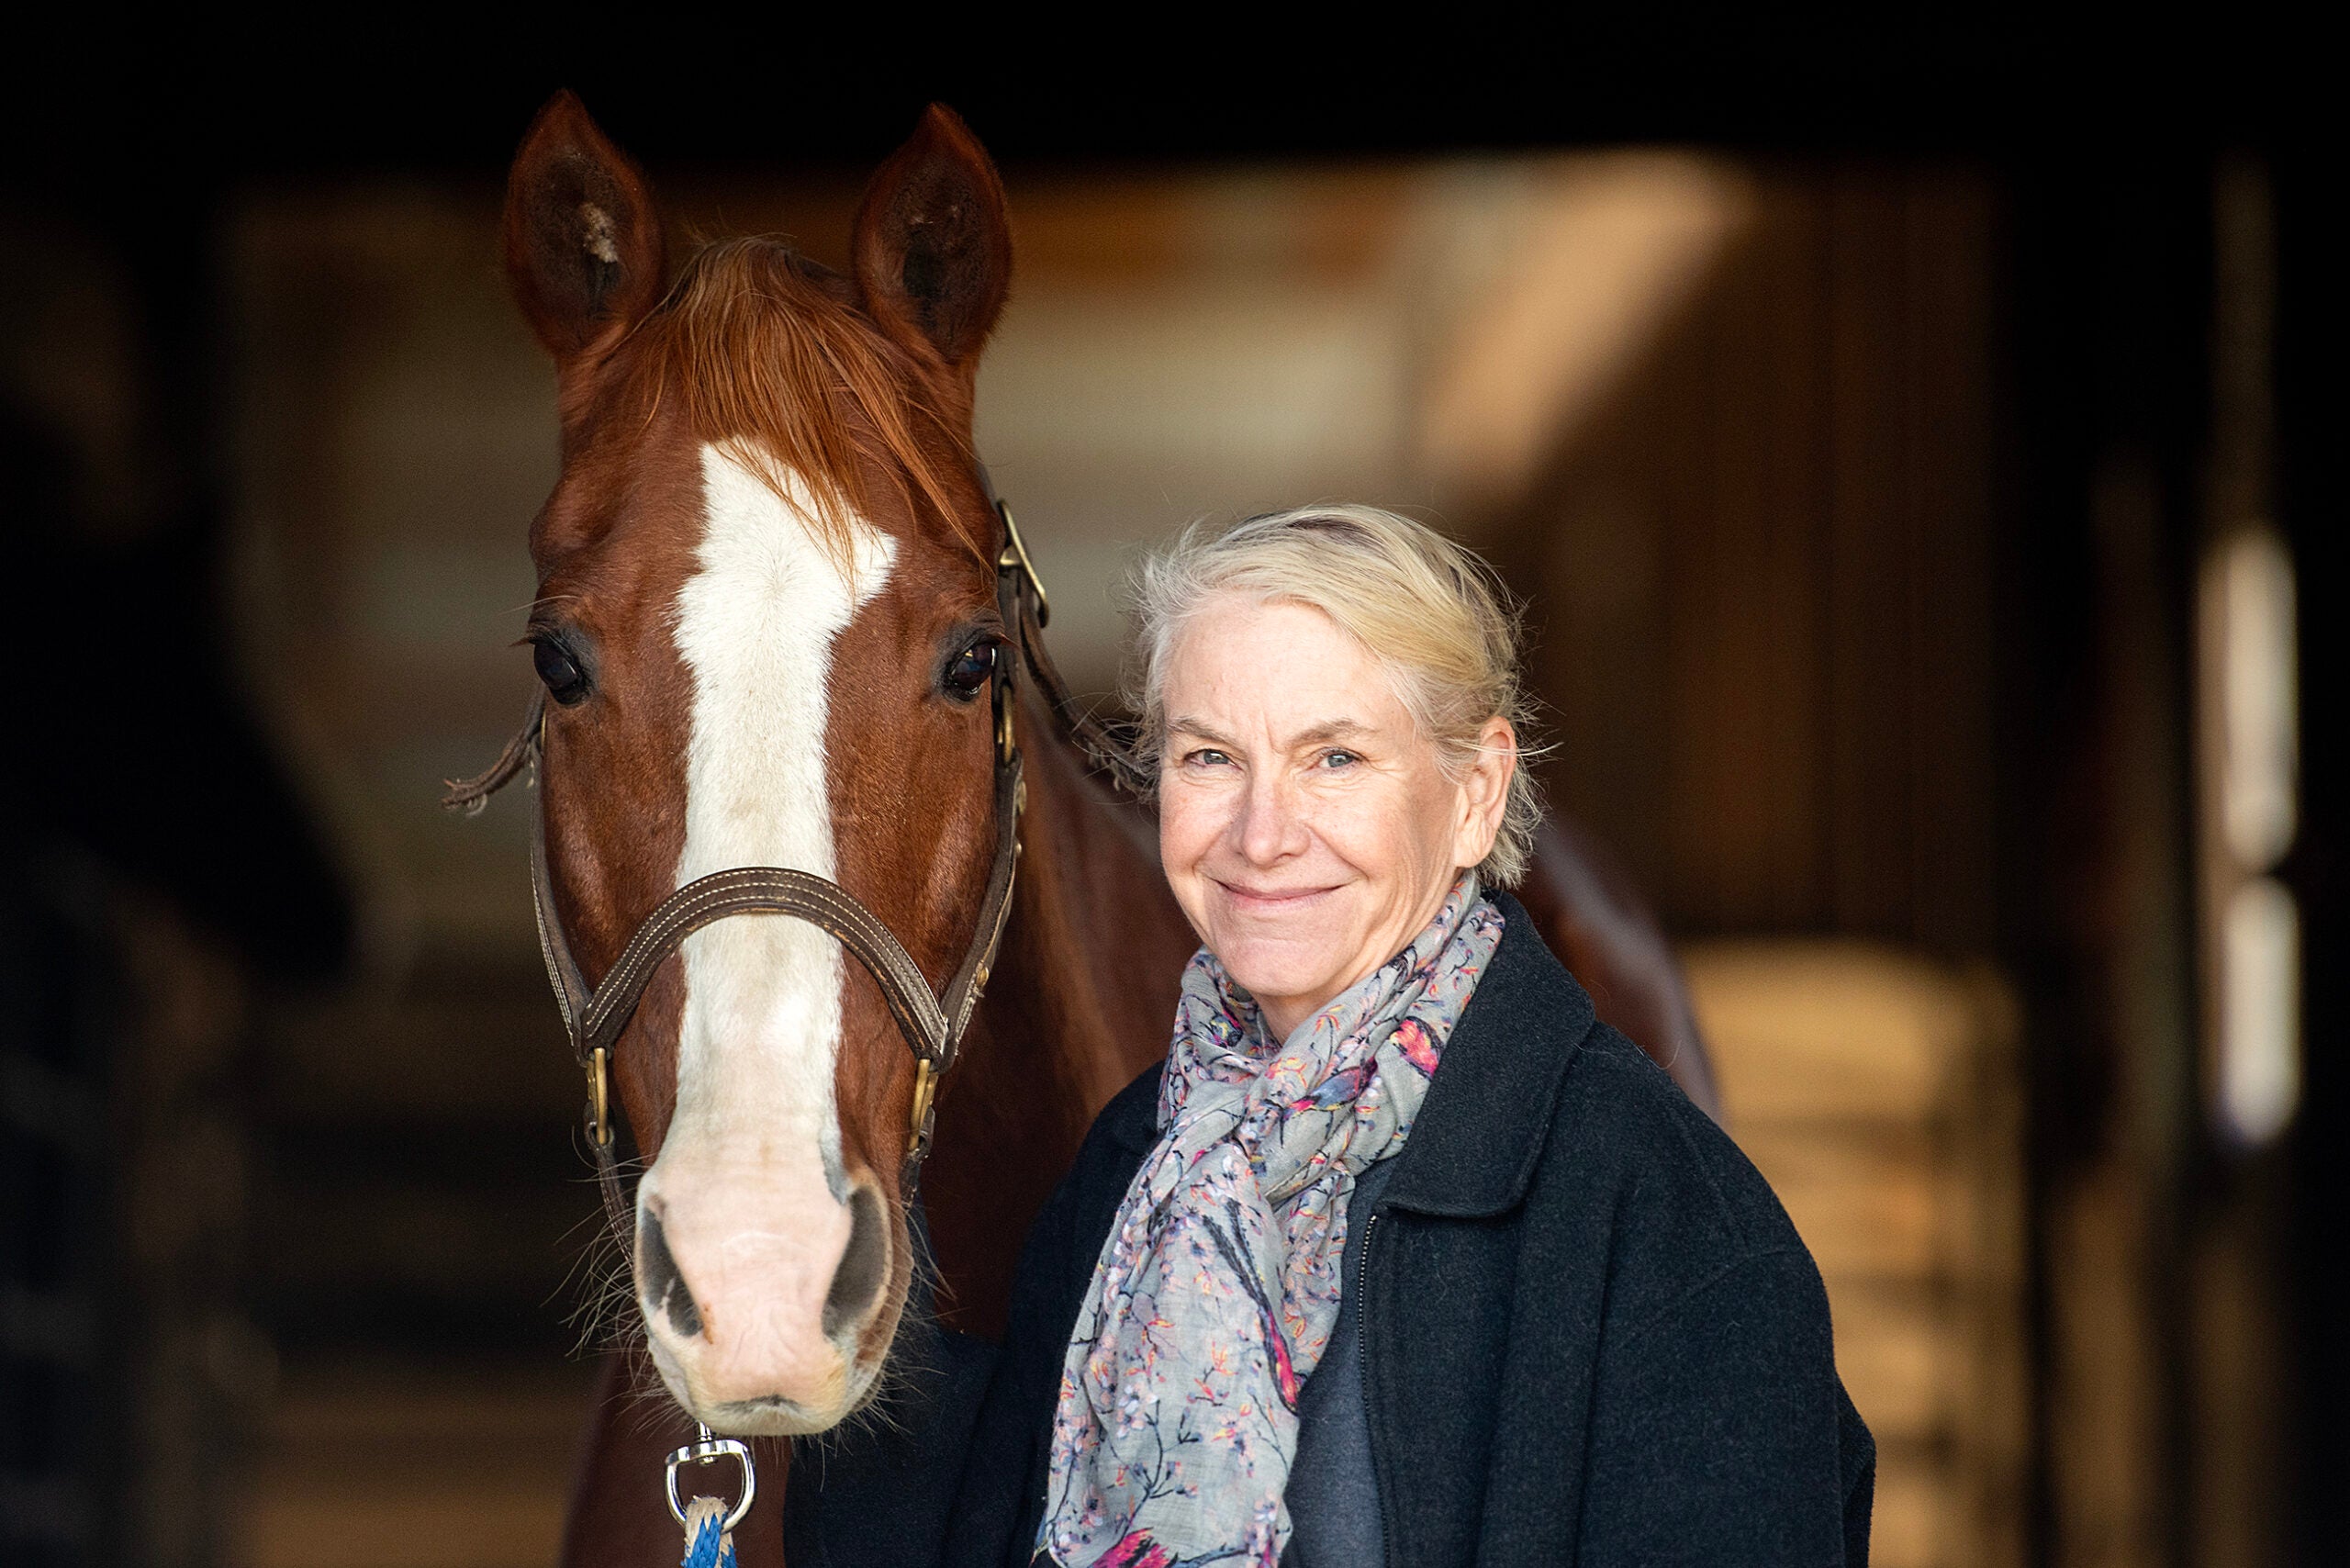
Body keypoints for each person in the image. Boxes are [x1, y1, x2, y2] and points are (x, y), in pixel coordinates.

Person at [806, 504, 1875, 1567]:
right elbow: (973, 1520)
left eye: (1336, 759)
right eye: (1210, 758)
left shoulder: (1666, 1218)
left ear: (1475, 792)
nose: (1261, 836)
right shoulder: (1133, 1167)